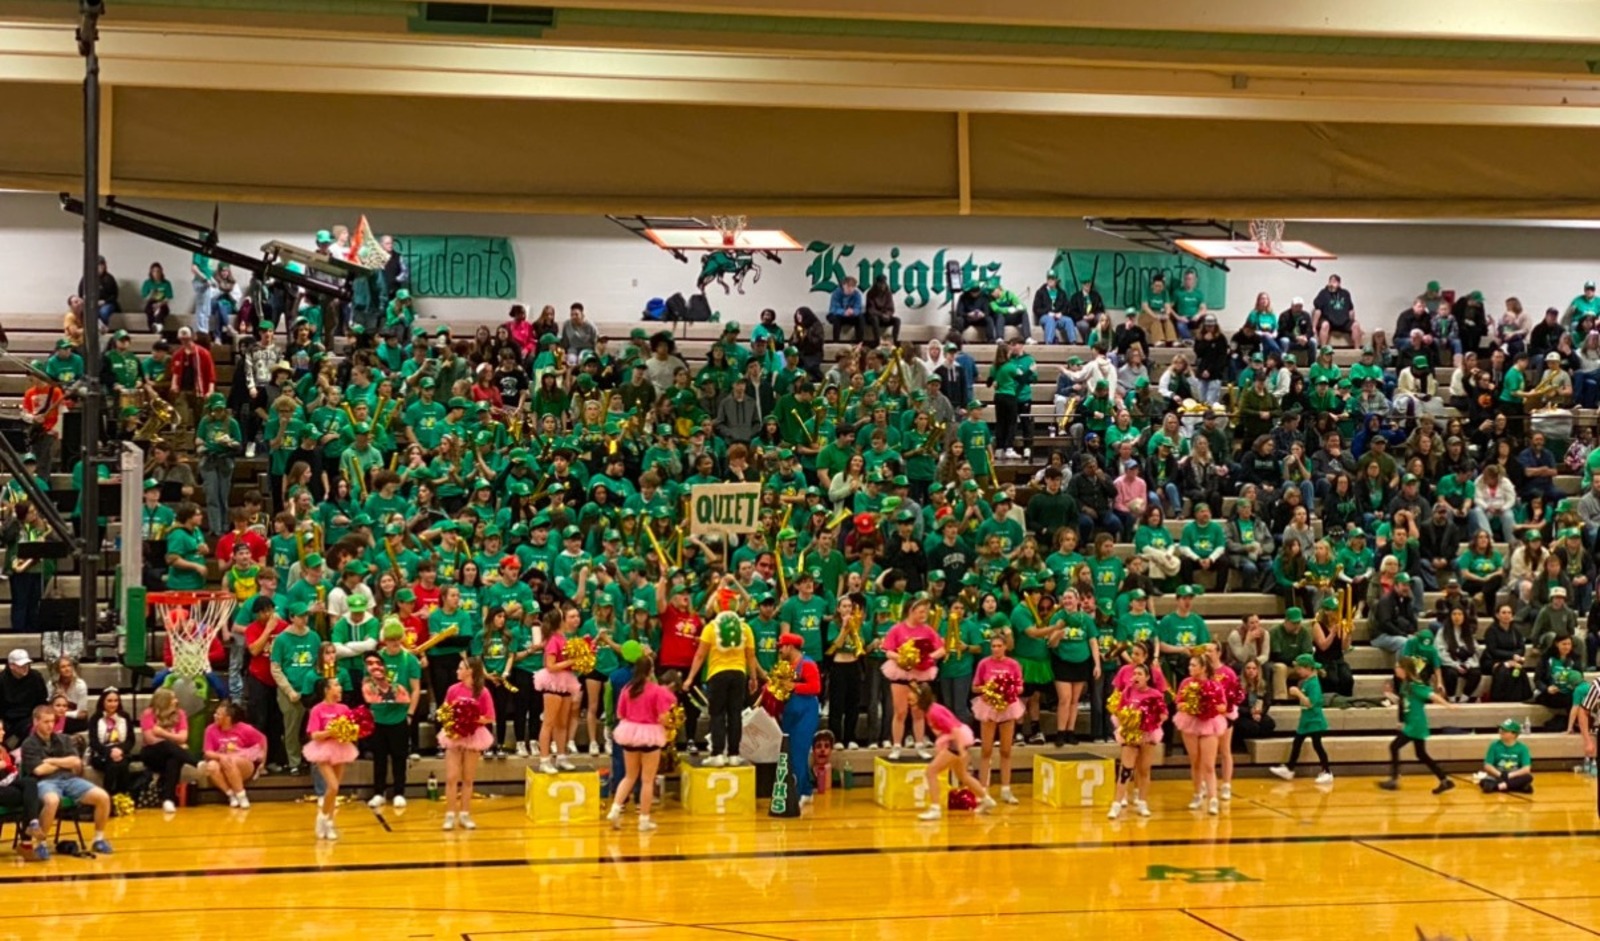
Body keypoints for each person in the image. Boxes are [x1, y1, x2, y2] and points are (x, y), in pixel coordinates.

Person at [22, 704, 113, 859]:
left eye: (52, 721)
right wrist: (63, 763)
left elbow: (76, 762)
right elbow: (39, 770)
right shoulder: (28, 744)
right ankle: (41, 844)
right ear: (36, 722)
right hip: (44, 782)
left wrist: (51, 761)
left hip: (69, 780)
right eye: (46, 722)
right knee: (52, 801)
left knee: (102, 797)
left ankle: (98, 839)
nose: (51, 725)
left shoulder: (63, 739)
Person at [607, 653, 678, 831]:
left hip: (629, 733)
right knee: (647, 780)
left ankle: (615, 809)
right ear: (651, 670)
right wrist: (671, 722)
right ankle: (644, 820)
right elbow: (663, 718)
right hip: (650, 735)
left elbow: (620, 714)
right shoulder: (656, 690)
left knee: (629, 776)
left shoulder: (627, 689)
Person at [908, 680, 995, 821]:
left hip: (956, 743)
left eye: (912, 699)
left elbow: (954, 729)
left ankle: (935, 808)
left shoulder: (933, 712)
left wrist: (961, 751)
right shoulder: (931, 709)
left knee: (931, 771)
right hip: (956, 741)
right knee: (963, 776)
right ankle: (986, 799)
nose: (910, 701)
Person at [686, 606, 759, 768]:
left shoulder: (711, 628)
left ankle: (718, 754)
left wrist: (690, 678)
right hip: (739, 674)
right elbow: (751, 656)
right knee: (735, 715)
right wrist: (753, 677)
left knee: (717, 714)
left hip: (717, 674)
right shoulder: (745, 628)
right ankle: (734, 754)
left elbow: (700, 655)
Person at [879, 595, 946, 759]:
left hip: (920, 673)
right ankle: (896, 746)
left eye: (926, 612)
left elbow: (942, 649)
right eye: (921, 611)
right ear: (911, 611)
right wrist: (901, 658)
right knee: (900, 711)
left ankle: (919, 745)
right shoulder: (897, 629)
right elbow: (887, 650)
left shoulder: (928, 630)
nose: (924, 615)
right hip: (901, 671)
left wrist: (929, 658)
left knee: (919, 712)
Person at [1378, 657, 1454, 794]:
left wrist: (1447, 705)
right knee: (1421, 754)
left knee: (1394, 746)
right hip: (1411, 723)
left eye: (1397, 667)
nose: (1395, 669)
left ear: (1404, 669)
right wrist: (1400, 718)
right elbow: (1403, 704)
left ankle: (1394, 780)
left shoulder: (1415, 685)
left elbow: (1431, 695)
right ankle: (1444, 780)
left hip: (1416, 724)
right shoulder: (1405, 684)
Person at [365, 624, 421, 808]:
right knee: (379, 757)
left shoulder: (409, 660)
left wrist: (410, 713)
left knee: (399, 756)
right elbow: (368, 683)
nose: (394, 644)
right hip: (379, 715)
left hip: (400, 716)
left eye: (397, 640)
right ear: (385, 641)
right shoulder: (377, 659)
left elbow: (415, 689)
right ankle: (378, 792)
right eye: (391, 640)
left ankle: (399, 792)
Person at [439, 657, 494, 831]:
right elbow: (444, 712)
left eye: (460, 668)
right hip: (454, 736)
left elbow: (490, 717)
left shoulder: (483, 692)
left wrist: (471, 720)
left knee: (468, 778)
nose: (457, 671)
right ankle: (449, 815)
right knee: (451, 777)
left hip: (473, 736)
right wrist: (455, 722)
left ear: (469, 671)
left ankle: (465, 814)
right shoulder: (452, 690)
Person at [1106, 660, 1166, 820]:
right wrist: (1127, 718)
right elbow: (1118, 712)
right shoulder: (1127, 692)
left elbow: (1163, 715)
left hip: (1147, 735)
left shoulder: (1155, 694)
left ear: (1147, 677)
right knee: (1125, 771)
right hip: (1130, 735)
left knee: (1144, 770)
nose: (1135, 676)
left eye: (1140, 674)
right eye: (1134, 673)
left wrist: (1150, 719)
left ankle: (1142, 802)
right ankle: (1116, 804)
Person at [302, 676, 358, 840]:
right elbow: (314, 735)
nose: (340, 688)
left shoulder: (344, 708)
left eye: (339, 684)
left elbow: (350, 732)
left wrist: (349, 733)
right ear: (327, 690)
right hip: (323, 750)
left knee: (334, 790)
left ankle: (329, 822)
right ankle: (323, 818)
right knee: (332, 786)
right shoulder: (317, 710)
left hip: (340, 748)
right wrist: (330, 732)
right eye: (336, 685)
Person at [971, 634, 1023, 804]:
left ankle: (1006, 789)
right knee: (986, 750)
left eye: (999, 645)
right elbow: (975, 687)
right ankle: (983, 790)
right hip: (988, 708)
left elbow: (1020, 686)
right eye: (993, 646)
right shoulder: (984, 664)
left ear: (1005, 647)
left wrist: (1007, 690)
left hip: (1008, 708)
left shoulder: (1013, 664)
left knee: (1006, 750)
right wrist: (990, 689)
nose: (996, 649)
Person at [1267, 654, 1333, 784]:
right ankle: (1290, 769)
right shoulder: (1308, 682)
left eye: (1299, 669)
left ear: (1308, 668)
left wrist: (1297, 693)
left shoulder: (1314, 684)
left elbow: (1310, 703)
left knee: (1317, 745)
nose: (1297, 672)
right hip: (1306, 719)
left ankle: (1327, 771)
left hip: (1314, 719)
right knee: (1297, 743)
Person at [1174, 654, 1226, 814]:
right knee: (1195, 761)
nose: (1190, 668)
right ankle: (1197, 794)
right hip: (1190, 722)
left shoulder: (1215, 685)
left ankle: (1213, 799)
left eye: (1194, 665)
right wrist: (1187, 706)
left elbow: (1223, 706)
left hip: (1209, 723)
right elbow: (1178, 702)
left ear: (1203, 668)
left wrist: (1210, 706)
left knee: (1208, 765)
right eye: (1190, 665)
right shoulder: (1186, 683)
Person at [776, 632, 823, 807]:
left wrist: (794, 686)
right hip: (790, 713)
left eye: (782, 646)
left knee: (799, 752)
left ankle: (804, 791)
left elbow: (816, 687)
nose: (780, 650)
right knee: (790, 753)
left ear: (790, 647)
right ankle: (802, 790)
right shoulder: (786, 666)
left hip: (806, 713)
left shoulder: (808, 664)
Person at [535, 607, 583, 774]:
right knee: (549, 723)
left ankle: (561, 757)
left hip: (566, 681)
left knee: (562, 724)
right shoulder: (553, 640)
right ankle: (544, 759)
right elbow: (550, 666)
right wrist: (571, 661)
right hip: (553, 683)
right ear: (560, 621)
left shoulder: (563, 638)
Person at [200, 700, 266, 809]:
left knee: (230, 761)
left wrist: (263, 762)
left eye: (218, 714)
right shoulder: (210, 729)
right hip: (222, 762)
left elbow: (262, 739)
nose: (215, 716)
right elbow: (208, 751)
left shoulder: (244, 728)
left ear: (228, 718)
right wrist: (221, 756)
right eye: (215, 713)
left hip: (243, 764)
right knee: (212, 766)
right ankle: (230, 794)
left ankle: (241, 795)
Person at [139, 687, 193, 813]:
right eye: (173, 698)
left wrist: (162, 733)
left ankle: (168, 800)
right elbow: (150, 740)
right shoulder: (148, 714)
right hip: (151, 753)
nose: (176, 701)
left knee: (174, 759)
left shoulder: (180, 714)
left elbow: (184, 737)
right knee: (168, 747)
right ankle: (195, 762)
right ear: (163, 701)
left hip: (171, 754)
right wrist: (175, 742)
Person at [85, 688, 133, 800]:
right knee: (113, 765)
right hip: (101, 754)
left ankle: (122, 798)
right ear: (103, 701)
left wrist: (120, 750)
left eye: (116, 700)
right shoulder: (95, 718)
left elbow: (131, 739)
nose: (113, 704)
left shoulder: (125, 716)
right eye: (109, 700)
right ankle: (109, 798)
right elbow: (94, 742)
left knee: (122, 764)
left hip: (121, 752)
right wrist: (109, 752)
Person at [1, 648, 47, 747]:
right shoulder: (1, 680)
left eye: (27, 664)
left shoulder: (36, 677)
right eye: (21, 665)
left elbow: (42, 700)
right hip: (7, 718)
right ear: (12, 666)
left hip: (29, 717)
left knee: (33, 725)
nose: (25, 667)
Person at [1479, 719, 1533, 794]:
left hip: (1513, 776)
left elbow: (1526, 769)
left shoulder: (1523, 748)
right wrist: (1500, 774)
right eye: (1501, 729)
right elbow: (1487, 765)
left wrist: (1510, 775)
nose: (1501, 731)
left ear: (1514, 734)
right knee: (1484, 781)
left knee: (1528, 777)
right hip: (1497, 775)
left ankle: (1497, 787)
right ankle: (1515, 787)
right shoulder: (1494, 745)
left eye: (1505, 730)